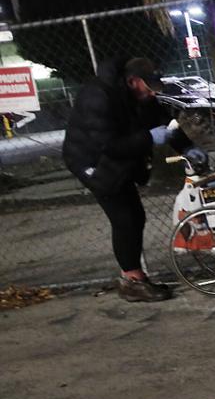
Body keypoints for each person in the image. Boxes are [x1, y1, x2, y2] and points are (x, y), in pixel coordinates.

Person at [62, 57, 199, 302]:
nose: (152, 93)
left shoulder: (140, 96)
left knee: (135, 216)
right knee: (125, 219)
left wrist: (187, 147)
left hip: (116, 157)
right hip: (92, 162)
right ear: (133, 81)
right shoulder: (98, 96)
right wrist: (148, 138)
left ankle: (134, 278)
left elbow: (165, 122)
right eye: (149, 87)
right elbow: (108, 145)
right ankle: (131, 282)